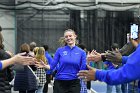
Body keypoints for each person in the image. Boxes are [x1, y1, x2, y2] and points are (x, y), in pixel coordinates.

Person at [36, 29, 87, 93]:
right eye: (66, 37)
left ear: (75, 36)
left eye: (70, 36)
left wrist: (89, 61)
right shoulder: (59, 50)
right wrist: (45, 66)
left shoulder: (82, 52)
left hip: (74, 82)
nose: (68, 38)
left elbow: (83, 68)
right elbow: (52, 66)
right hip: (60, 82)